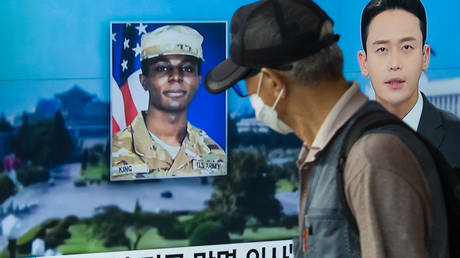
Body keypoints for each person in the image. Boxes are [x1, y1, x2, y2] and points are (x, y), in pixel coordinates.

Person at [205, 0, 448, 257]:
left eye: (245, 85)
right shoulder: (328, 150)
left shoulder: (371, 156)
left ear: (274, 84)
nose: (249, 97)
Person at [111, 25, 226, 180]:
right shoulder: (114, 151)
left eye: (187, 68)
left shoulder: (215, 155)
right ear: (143, 81)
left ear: (198, 81)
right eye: (162, 68)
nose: (176, 77)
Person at [358, 0, 460, 168]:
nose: (395, 64)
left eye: (406, 47)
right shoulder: (345, 144)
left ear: (425, 57)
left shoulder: (456, 138)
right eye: (382, 49)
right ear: (364, 63)